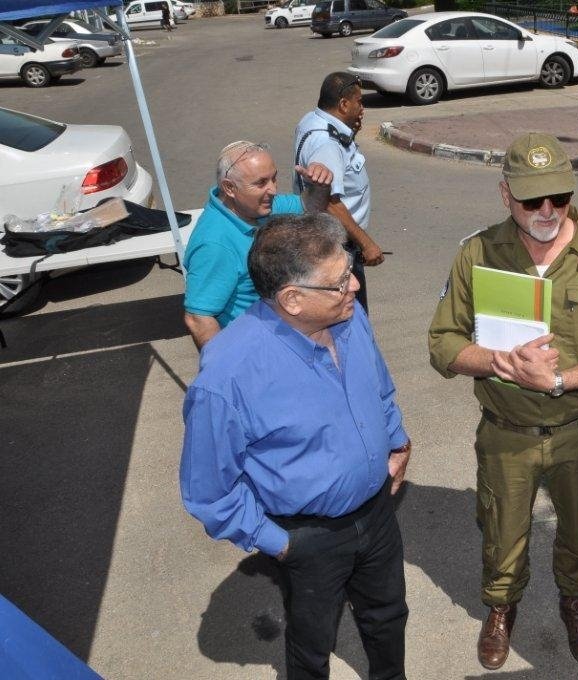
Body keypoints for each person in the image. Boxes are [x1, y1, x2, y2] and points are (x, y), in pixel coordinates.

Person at [427, 132, 578, 670]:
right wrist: (498, 363)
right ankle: (501, 607)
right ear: (506, 195)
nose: (547, 211)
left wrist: (560, 382)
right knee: (501, 528)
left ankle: (575, 601)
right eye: (531, 201)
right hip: (507, 429)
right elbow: (442, 343)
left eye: (559, 198)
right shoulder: (477, 253)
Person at [180, 213, 411, 680]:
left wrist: (396, 441)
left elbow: (379, 387)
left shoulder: (348, 316)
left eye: (349, 274)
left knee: (388, 615)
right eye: (339, 282)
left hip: (378, 510)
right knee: (312, 644)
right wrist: (281, 544)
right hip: (308, 536)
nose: (354, 288)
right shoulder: (228, 376)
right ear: (292, 299)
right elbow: (208, 492)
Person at [183, 140, 333, 349]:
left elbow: (309, 207)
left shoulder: (257, 207)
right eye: (261, 183)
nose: (272, 190)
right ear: (229, 187)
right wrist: (225, 370)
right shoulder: (215, 244)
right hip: (254, 353)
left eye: (274, 178)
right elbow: (199, 319)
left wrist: (319, 185)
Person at [295, 72, 384, 312]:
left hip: (327, 241)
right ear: (344, 105)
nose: (362, 108)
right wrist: (366, 244)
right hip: (339, 246)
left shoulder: (314, 120)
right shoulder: (327, 144)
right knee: (350, 319)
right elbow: (329, 203)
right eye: (359, 102)